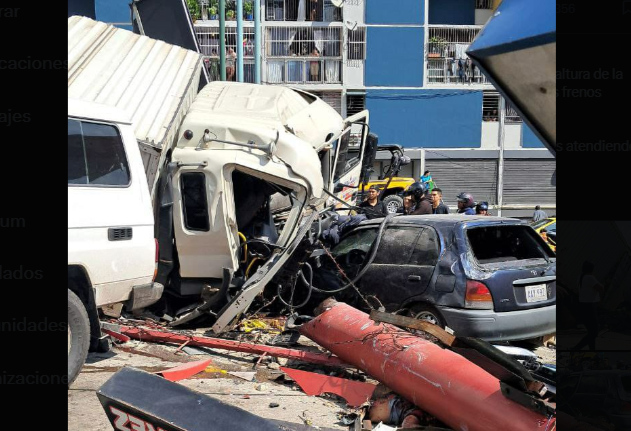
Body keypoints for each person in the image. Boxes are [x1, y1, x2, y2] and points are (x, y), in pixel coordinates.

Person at [573, 261, 606, 351]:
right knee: (594, 332)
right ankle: (576, 348)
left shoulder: (580, 277)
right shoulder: (590, 278)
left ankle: (592, 349)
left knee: (591, 331)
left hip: (583, 305)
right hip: (589, 306)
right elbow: (601, 289)